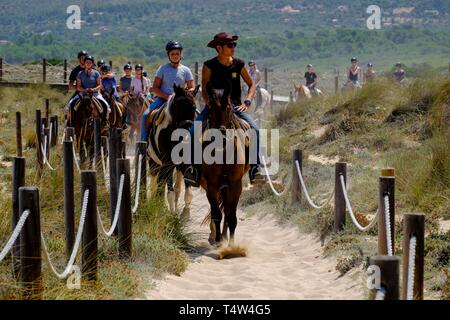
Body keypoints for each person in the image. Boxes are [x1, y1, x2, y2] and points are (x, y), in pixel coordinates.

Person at [182, 32, 264, 186]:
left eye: (234, 45)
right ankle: (194, 170)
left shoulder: (239, 64)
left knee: (255, 130)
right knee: (192, 132)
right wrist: (209, 103)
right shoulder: (209, 65)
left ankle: (255, 168)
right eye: (230, 45)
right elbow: (205, 88)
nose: (233, 48)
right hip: (213, 108)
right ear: (219, 48)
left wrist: (247, 101)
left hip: (235, 107)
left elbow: (252, 84)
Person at [140, 41, 195, 142]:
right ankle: (143, 143)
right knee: (145, 115)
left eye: (177, 53)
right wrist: (167, 97)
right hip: (163, 99)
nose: (175, 56)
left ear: (180, 54)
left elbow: (192, 87)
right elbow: (156, 87)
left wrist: (185, 94)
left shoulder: (186, 70)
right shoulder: (162, 69)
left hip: (180, 101)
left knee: (197, 115)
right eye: (172, 54)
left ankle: (197, 144)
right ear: (168, 55)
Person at [66, 55, 110, 120]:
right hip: (83, 94)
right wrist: (85, 90)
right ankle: (69, 122)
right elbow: (78, 87)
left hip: (95, 94)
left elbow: (100, 85)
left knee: (107, 107)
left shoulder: (96, 73)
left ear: (92, 64)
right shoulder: (80, 73)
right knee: (69, 105)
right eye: (87, 62)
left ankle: (105, 122)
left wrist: (93, 89)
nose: (88, 64)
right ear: (85, 63)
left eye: (90, 62)